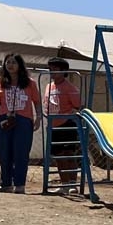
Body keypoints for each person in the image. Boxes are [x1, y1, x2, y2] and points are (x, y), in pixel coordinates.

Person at [0, 53, 41, 193]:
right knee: (4, 153)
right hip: (4, 120)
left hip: (23, 121)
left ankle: (20, 184)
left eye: (14, 62)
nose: (10, 65)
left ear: (20, 65)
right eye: (8, 62)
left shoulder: (30, 83)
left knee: (21, 153)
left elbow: (37, 102)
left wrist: (38, 118)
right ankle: (5, 183)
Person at [44, 58, 83, 190]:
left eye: (55, 69)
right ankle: (64, 184)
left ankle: (72, 184)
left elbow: (78, 106)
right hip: (53, 125)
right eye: (50, 69)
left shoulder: (70, 88)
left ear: (63, 71)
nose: (52, 72)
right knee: (58, 156)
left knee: (69, 154)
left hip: (66, 123)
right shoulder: (49, 87)